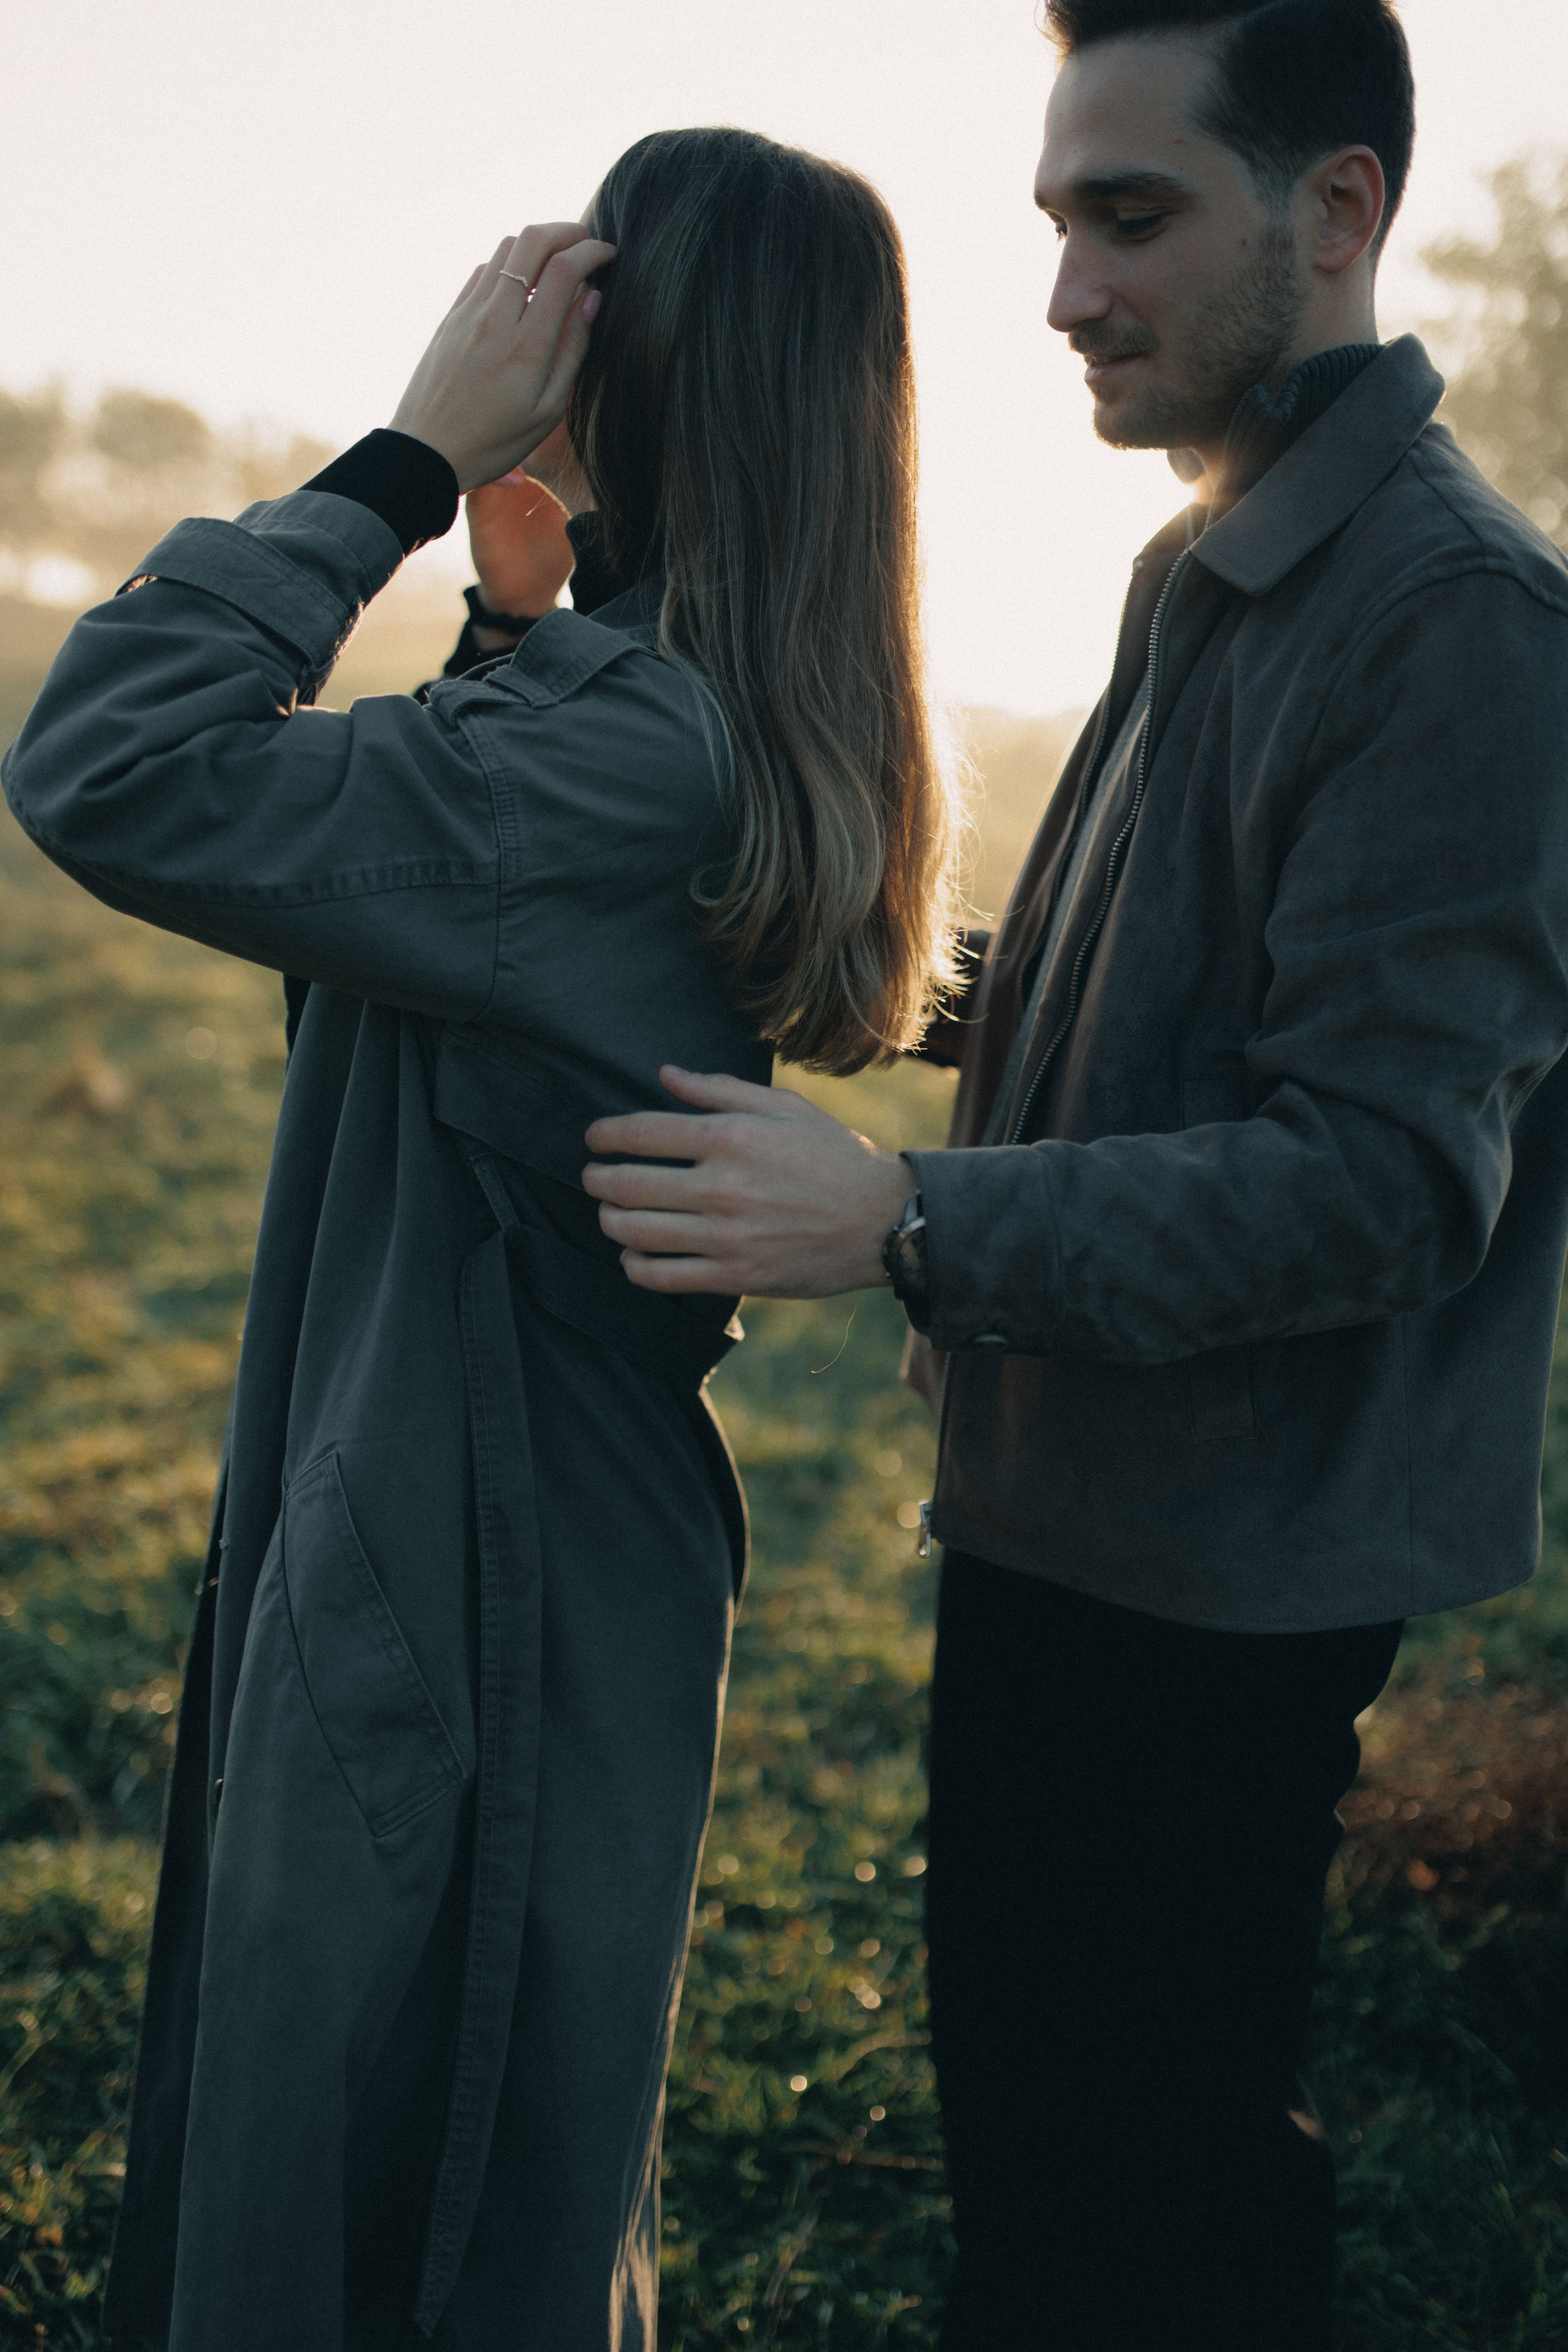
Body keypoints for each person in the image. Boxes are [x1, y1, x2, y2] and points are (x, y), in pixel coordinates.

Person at [581, 7, 1568, 2347]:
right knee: (1049, 2159)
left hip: (1218, 1582)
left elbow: (1378, 1180)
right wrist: (884, 951)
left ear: (1337, 215)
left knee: (1150, 2187)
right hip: (1073, 1516)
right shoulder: (1221, 545)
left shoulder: (1463, 629)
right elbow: (1171, 991)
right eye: (1056, 220)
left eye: (1134, 217)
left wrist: (905, 1221)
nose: (1063, 294)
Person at [2, 128, 956, 2351]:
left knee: (384, 2160)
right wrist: (512, 613)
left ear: (647, 359)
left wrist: (400, 463)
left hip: (465, 1530)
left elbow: (115, 765)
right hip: (511, 1502)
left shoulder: (624, 740)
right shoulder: (672, 693)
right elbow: (460, 908)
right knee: (476, 2116)